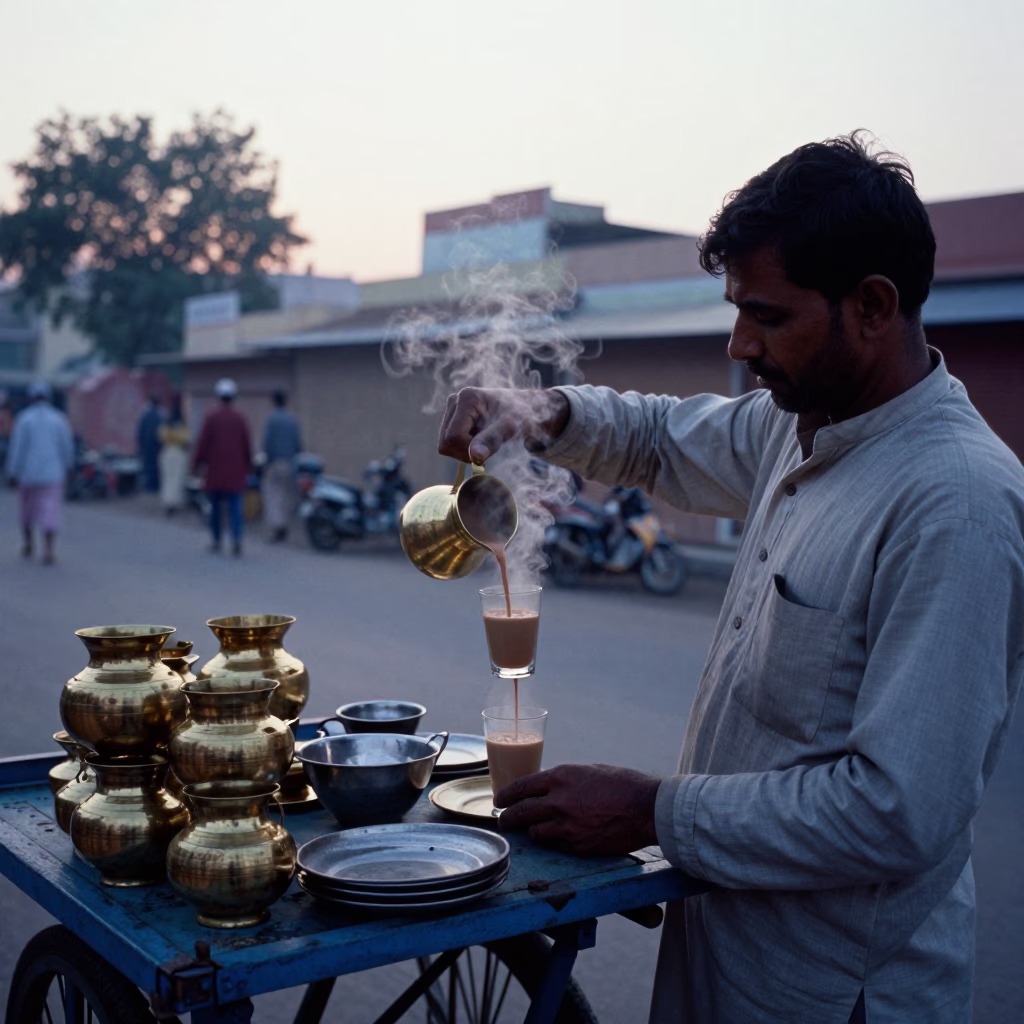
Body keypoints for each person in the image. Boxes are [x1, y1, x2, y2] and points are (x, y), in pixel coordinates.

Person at [437, 134, 1024, 1024]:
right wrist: (541, 408)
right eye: (736, 309)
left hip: (834, 990)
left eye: (770, 316)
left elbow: (897, 810)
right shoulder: (800, 425)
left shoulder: (956, 503)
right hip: (729, 937)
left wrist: (652, 811)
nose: (741, 343)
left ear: (872, 306)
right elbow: (661, 438)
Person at [5, 382, 74, 564]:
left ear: (31, 397)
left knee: (27, 510)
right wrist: (68, 466)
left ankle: (29, 543)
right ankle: (48, 549)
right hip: (53, 474)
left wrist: (13, 471)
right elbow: (66, 447)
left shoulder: (24, 419)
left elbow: (17, 448)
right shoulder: (59, 419)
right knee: (50, 511)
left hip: (28, 473)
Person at [192, 379, 252, 556]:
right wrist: (249, 467)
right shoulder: (240, 419)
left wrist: (197, 466)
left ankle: (217, 540)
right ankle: (236, 540)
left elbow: (202, 444)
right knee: (235, 509)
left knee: (216, 510)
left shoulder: (211, 418)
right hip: (235, 473)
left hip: (216, 473)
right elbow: (246, 446)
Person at [261, 389, 304, 542]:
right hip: (290, 463)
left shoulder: (271, 420)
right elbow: (298, 444)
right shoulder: (292, 420)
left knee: (273, 496)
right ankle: (285, 524)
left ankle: (277, 526)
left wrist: (267, 460)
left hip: (275, 462)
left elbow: (267, 443)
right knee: (287, 495)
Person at [158, 395, 189, 515]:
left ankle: (167, 501)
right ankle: (173, 502)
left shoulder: (166, 422)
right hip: (178, 451)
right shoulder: (181, 423)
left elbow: (161, 435)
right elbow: (185, 438)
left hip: (167, 451)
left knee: (167, 478)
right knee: (176, 478)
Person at [136, 395, 163, 493]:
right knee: (155, 466)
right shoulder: (159, 416)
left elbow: (140, 433)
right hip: (156, 445)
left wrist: (140, 445)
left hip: (147, 446)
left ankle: (149, 486)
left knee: (148, 466)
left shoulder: (146, 416)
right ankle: (154, 486)